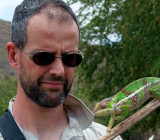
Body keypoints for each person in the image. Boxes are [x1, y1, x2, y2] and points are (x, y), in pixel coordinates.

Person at [0, 0, 122, 140]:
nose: (59, 71)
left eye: (70, 58)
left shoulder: (106, 137)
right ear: (14, 56)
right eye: (43, 57)